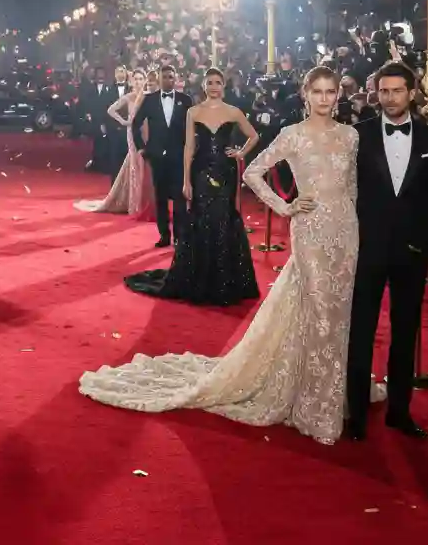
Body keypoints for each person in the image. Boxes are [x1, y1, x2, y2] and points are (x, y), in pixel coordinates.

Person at [80, 67, 359, 446]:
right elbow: (254, 174)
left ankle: (329, 386)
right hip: (309, 232)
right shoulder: (292, 135)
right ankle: (316, 402)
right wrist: (286, 205)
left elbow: (352, 187)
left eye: (331, 92)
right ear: (305, 94)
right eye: (318, 92)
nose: (325, 98)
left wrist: (352, 224)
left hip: (347, 234)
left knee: (339, 313)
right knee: (319, 311)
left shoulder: (350, 136)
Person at [345, 62, 428, 441]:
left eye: (397, 91)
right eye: (384, 91)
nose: (390, 98)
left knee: (405, 333)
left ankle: (400, 412)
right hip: (366, 248)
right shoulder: (357, 136)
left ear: (412, 93)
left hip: (413, 250)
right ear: (377, 94)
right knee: (361, 332)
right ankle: (356, 413)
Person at [122, 67, 260, 304]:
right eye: (210, 82)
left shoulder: (234, 111)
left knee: (224, 217)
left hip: (225, 171)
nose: (214, 86)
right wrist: (186, 180)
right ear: (203, 86)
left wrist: (240, 153)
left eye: (218, 82)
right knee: (202, 217)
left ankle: (226, 278)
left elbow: (254, 136)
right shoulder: (193, 111)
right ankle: (201, 275)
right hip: (200, 170)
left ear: (223, 85)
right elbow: (188, 147)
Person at [74, 69, 155, 217]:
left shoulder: (150, 97)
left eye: (140, 79)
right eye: (135, 79)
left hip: (148, 132)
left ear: (144, 80)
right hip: (133, 134)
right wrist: (124, 122)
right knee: (135, 163)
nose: (138, 82)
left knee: (148, 166)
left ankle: (147, 201)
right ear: (132, 81)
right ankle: (134, 203)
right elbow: (111, 110)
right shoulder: (128, 97)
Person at [130, 64, 193, 247]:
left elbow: (193, 126)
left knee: (180, 198)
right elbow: (135, 124)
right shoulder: (149, 100)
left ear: (176, 79)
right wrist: (141, 148)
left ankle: (180, 236)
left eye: (171, 77)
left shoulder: (186, 100)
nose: (168, 80)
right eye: (165, 77)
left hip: (179, 156)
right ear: (159, 79)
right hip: (156, 157)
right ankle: (164, 235)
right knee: (160, 197)